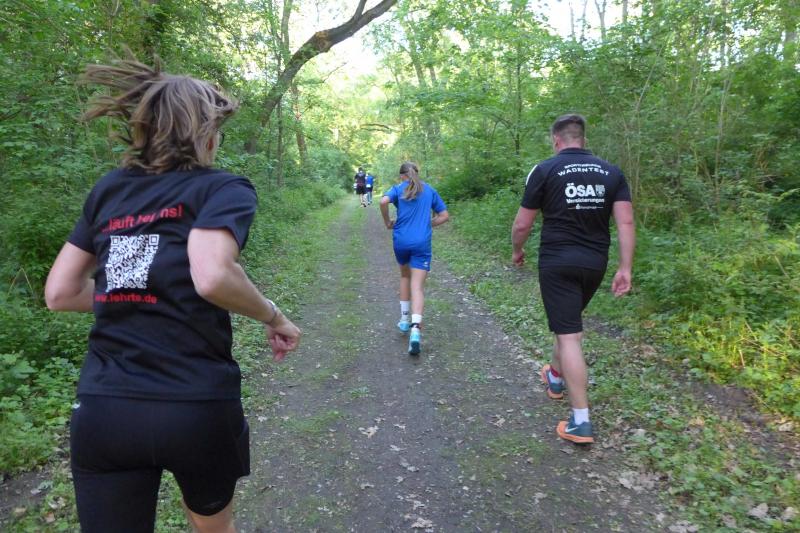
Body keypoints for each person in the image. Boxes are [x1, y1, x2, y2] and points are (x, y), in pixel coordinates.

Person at [44, 54, 301, 532]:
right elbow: (212, 275)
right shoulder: (221, 188)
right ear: (206, 134)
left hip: (106, 407)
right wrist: (273, 316)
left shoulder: (109, 190)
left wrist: (135, 291)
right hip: (196, 405)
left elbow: (60, 292)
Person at [511, 114, 635, 444]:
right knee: (567, 323)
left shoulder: (544, 170)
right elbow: (625, 222)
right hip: (594, 263)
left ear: (556, 140)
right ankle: (555, 377)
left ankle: (581, 421)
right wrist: (625, 267)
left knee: (569, 336)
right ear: (583, 138)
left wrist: (517, 251)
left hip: (557, 262)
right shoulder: (612, 172)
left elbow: (522, 224)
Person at [380, 161, 449, 355]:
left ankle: (404, 320)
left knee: (404, 276)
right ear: (416, 173)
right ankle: (416, 330)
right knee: (417, 286)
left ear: (402, 176)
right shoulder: (429, 190)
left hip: (401, 240)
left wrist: (387, 221)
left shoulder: (397, 189)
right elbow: (444, 216)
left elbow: (383, 202)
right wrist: (427, 224)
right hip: (421, 243)